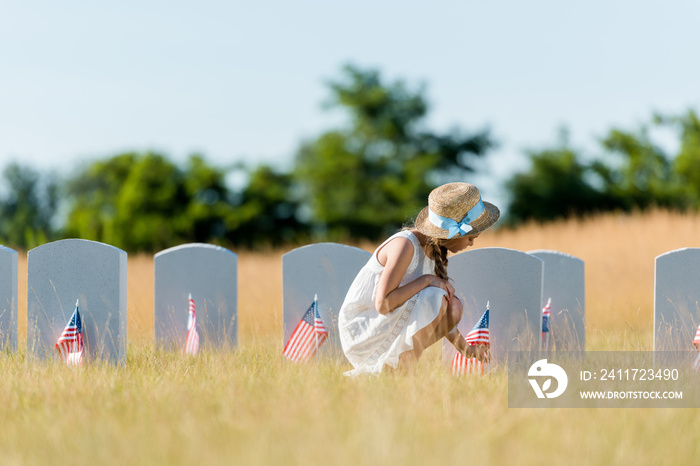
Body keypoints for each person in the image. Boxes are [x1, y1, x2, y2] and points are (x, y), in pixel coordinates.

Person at [338, 182, 500, 375]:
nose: (471, 244)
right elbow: (383, 304)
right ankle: (403, 371)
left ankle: (399, 368)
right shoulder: (405, 245)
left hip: (387, 321)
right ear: (454, 232)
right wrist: (427, 281)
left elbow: (437, 312)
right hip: (364, 327)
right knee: (437, 296)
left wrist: (466, 349)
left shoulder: (435, 250)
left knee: (453, 306)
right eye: (470, 238)